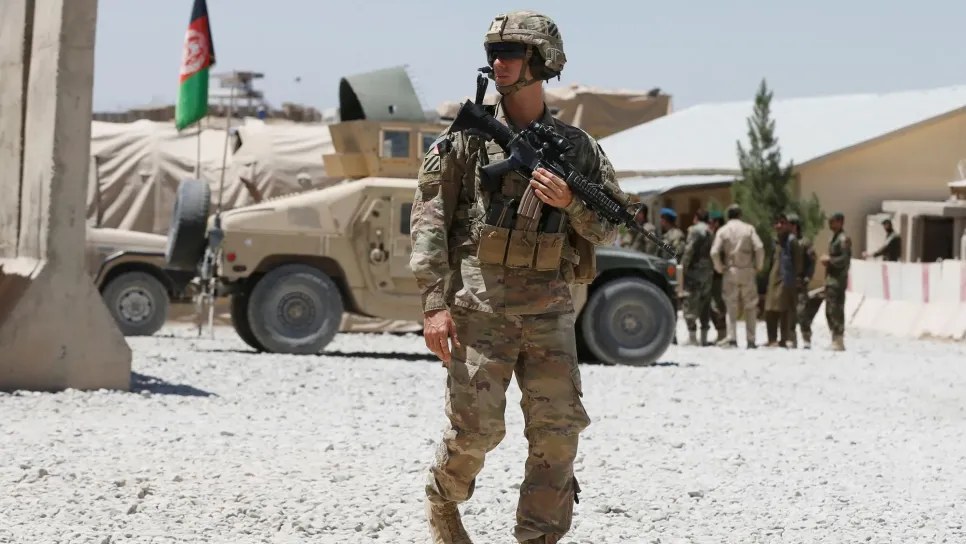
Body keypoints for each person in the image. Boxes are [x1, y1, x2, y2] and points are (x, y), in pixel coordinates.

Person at [409, 10, 639, 544]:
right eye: (494, 53)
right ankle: (443, 499)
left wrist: (570, 202)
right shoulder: (466, 139)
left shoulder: (578, 148)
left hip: (549, 310)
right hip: (480, 306)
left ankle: (539, 536)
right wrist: (434, 305)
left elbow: (611, 225)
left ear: (543, 62)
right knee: (477, 432)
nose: (499, 63)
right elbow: (429, 221)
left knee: (558, 432)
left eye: (511, 54)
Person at [710, 203, 764, 348]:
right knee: (750, 306)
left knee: (731, 306)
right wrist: (758, 266)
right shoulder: (749, 229)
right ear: (740, 214)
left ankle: (732, 338)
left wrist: (720, 268)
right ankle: (751, 340)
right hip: (747, 270)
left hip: (730, 270)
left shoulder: (723, 230)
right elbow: (759, 247)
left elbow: (714, 252)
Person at [763, 212, 803, 348]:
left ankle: (784, 339)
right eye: (777, 223)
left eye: (782, 223)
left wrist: (795, 278)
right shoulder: (775, 241)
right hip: (773, 279)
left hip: (786, 279)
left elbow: (798, 263)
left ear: (787, 225)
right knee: (769, 309)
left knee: (783, 310)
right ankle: (771, 339)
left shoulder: (792, 240)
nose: (779, 226)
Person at [681, 209, 714, 345]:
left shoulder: (694, 230)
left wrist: (682, 267)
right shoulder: (711, 231)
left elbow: (689, 250)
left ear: (696, 218)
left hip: (694, 272)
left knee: (690, 302)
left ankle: (692, 338)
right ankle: (704, 338)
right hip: (708, 271)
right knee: (705, 303)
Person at [820, 212, 851, 351]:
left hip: (838, 280)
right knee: (829, 309)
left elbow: (844, 260)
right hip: (831, 279)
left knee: (836, 309)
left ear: (840, 222)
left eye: (833, 221)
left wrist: (830, 260)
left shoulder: (843, 239)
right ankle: (834, 338)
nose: (830, 224)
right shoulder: (834, 238)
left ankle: (839, 339)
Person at [788, 214, 818, 349]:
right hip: (787, 282)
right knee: (788, 311)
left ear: (794, 226)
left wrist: (807, 277)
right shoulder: (785, 242)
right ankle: (790, 338)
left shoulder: (805, 242)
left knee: (802, 311)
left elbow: (812, 261)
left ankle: (806, 337)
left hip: (800, 281)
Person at [707, 211, 728, 342]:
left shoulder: (721, 236)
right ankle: (721, 332)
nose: (709, 224)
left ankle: (723, 333)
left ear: (717, 222)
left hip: (720, 275)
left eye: (711, 222)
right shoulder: (715, 235)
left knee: (718, 304)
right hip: (713, 274)